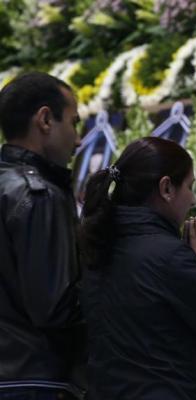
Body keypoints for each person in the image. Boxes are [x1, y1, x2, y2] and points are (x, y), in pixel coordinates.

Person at [79, 137, 196, 400]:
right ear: (166, 188)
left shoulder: (96, 246)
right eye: (190, 187)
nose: (193, 199)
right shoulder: (169, 257)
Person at [0, 72, 85, 399]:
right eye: (74, 123)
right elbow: (55, 308)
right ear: (46, 120)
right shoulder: (38, 196)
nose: (78, 140)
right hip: (36, 379)